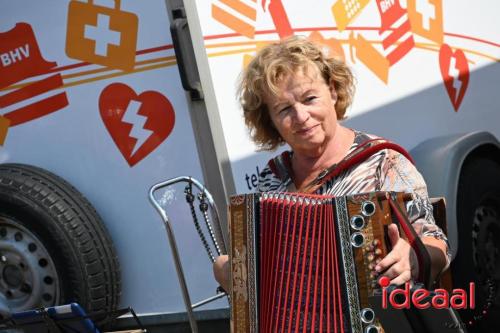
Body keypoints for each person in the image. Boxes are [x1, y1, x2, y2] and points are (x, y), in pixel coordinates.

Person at [213, 36, 449, 294]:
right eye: (284, 109)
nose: (301, 117)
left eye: (310, 98)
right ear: (271, 122)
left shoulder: (383, 162)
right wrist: (228, 271)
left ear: (333, 91)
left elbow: (437, 243)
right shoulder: (271, 180)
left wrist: (413, 257)